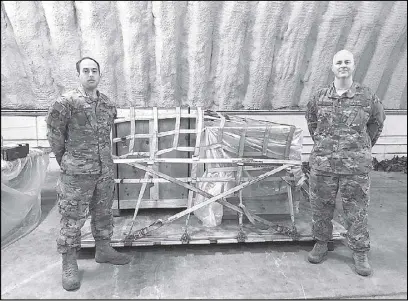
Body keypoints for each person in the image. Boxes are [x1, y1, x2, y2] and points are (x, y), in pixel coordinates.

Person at [46, 57, 131, 291]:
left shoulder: (107, 104)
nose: (90, 74)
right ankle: (69, 263)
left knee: (103, 212)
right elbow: (54, 134)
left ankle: (103, 249)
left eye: (94, 71)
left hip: (103, 170)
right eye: (86, 71)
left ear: (100, 75)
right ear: (78, 75)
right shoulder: (66, 103)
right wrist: (65, 159)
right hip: (76, 173)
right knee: (72, 218)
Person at [305, 49, 386, 276]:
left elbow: (377, 123)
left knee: (357, 210)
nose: (343, 65)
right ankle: (321, 243)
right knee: (320, 208)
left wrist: (361, 146)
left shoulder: (367, 97)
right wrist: (325, 146)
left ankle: (360, 252)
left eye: (347, 62)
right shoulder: (319, 97)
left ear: (353, 66)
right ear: (332, 67)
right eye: (338, 62)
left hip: (355, 167)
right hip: (323, 165)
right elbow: (312, 124)